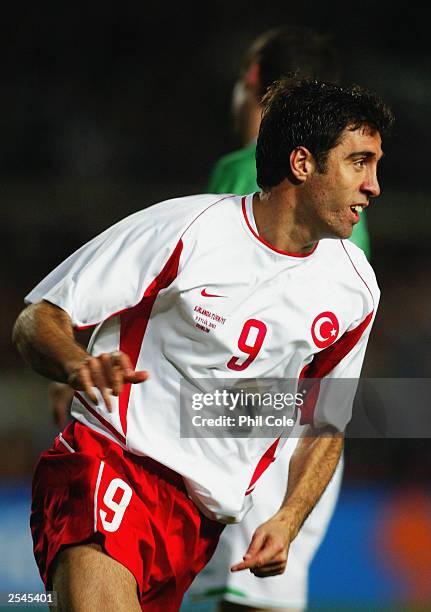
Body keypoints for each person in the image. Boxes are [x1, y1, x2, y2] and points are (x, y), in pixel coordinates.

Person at [13, 77, 393, 611]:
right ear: (303, 163)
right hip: (110, 463)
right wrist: (76, 363)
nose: (374, 185)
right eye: (359, 162)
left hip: (198, 520)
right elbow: (38, 319)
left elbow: (324, 422)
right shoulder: (187, 230)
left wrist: (287, 516)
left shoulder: (354, 286)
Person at [189, 26, 367, 612]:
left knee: (240, 594)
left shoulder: (255, 177)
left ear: (252, 83)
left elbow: (202, 306)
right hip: (308, 418)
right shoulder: (341, 199)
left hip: (254, 413)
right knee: (264, 596)